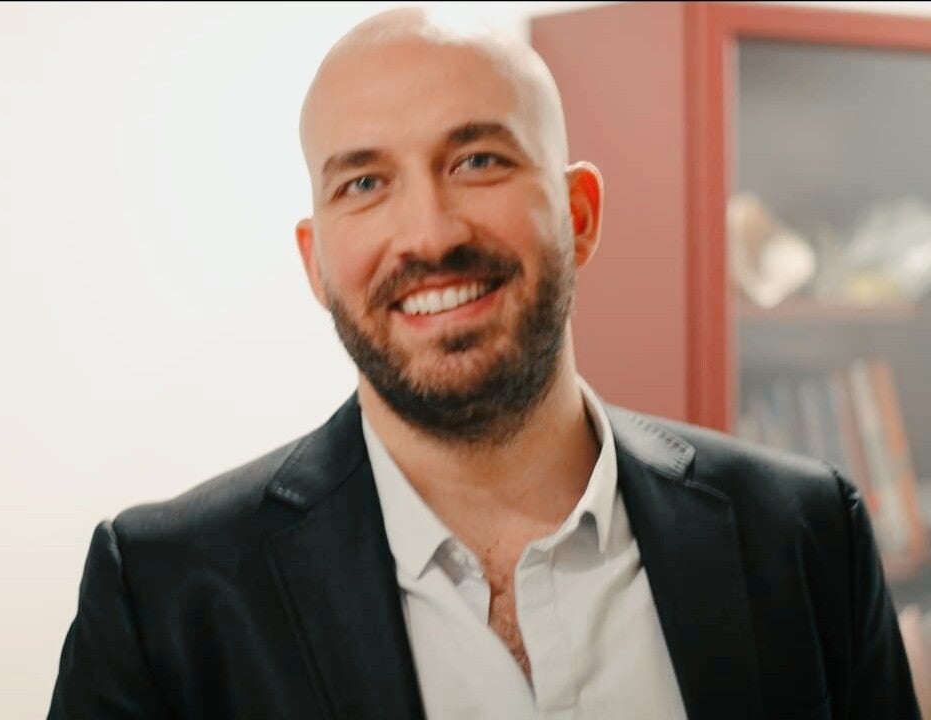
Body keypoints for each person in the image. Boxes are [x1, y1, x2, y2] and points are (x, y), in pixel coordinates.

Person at [46, 7, 919, 719]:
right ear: (315, 264)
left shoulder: (804, 537)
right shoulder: (164, 598)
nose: (429, 234)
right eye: (364, 183)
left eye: (477, 161)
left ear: (580, 214)